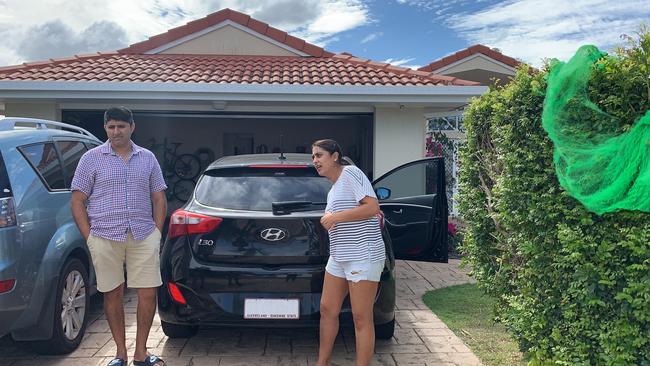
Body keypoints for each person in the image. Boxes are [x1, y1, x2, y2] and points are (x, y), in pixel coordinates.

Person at [71, 107, 167, 366]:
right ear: (105, 128)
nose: (116, 131)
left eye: (121, 126)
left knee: (148, 293)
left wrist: (157, 232)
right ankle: (120, 354)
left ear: (132, 127)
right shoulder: (91, 159)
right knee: (112, 293)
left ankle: (141, 353)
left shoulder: (147, 158)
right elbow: (78, 200)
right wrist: (89, 237)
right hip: (104, 235)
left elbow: (159, 197)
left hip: (143, 234)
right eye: (111, 126)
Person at [312, 139, 385, 366]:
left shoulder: (351, 173)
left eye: (319, 155)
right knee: (327, 309)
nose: (315, 161)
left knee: (361, 317)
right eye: (313, 157)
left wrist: (335, 217)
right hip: (340, 257)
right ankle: (321, 363)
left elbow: (372, 207)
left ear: (334, 156)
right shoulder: (333, 190)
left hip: (363, 255)